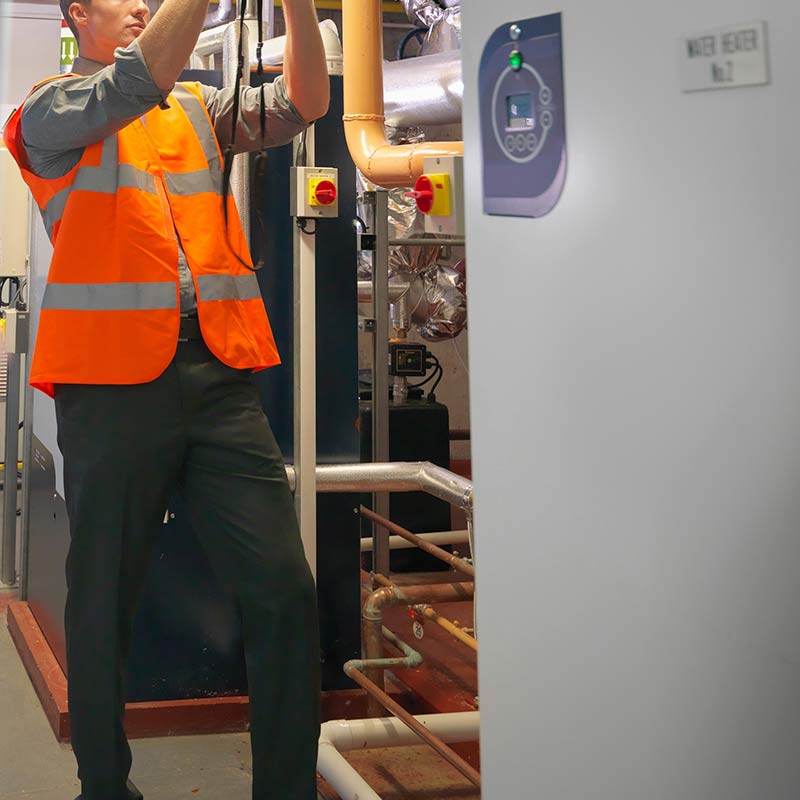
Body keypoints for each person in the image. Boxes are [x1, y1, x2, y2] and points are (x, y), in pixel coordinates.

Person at [2, 0, 330, 797]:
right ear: (78, 14)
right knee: (105, 596)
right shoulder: (46, 112)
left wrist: (299, 5)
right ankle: (106, 787)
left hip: (218, 377)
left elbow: (308, 104)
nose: (143, 3)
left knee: (284, 589)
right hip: (112, 388)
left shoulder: (193, 105)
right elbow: (133, 81)